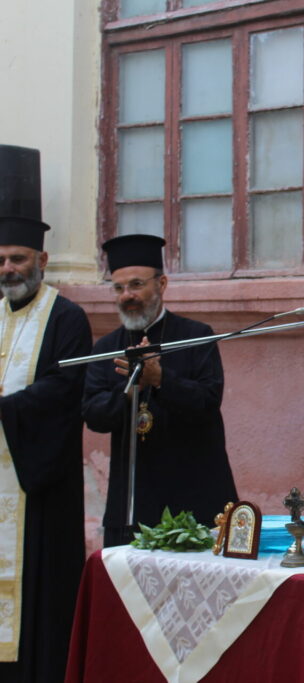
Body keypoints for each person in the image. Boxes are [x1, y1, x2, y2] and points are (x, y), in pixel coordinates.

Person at [0, 144, 92, 683]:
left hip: (38, 486)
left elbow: (65, 391)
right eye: (1, 260)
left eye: (17, 258)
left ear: (42, 259)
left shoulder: (67, 317)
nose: (8, 268)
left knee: (39, 598)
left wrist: (6, 409)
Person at [83, 234, 237, 547]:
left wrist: (160, 378)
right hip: (132, 499)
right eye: (118, 288)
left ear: (162, 284)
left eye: (136, 285)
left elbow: (207, 402)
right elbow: (94, 415)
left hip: (194, 489)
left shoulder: (196, 336)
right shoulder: (107, 347)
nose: (127, 296)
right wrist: (130, 389)